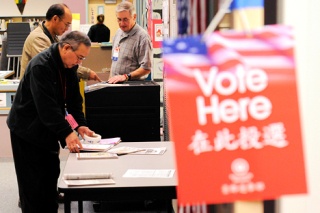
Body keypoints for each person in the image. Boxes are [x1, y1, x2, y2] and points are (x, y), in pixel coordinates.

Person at [7, 31, 95, 213]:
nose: (79, 63)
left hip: (47, 127)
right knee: (33, 185)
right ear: (66, 48)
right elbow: (46, 108)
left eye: (82, 59)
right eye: (79, 57)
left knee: (50, 177)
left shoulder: (68, 66)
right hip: (26, 130)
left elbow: (73, 99)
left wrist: (80, 124)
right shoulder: (41, 66)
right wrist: (67, 132)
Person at [19, 3, 101, 82]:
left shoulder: (53, 37)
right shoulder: (38, 38)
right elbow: (54, 64)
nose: (67, 28)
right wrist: (86, 73)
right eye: (67, 24)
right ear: (55, 19)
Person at [108, 1, 152, 84]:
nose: (122, 23)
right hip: (115, 86)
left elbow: (146, 68)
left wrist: (126, 76)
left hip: (131, 87)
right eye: (119, 19)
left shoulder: (142, 37)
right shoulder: (118, 33)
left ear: (134, 17)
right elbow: (114, 62)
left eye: (125, 19)